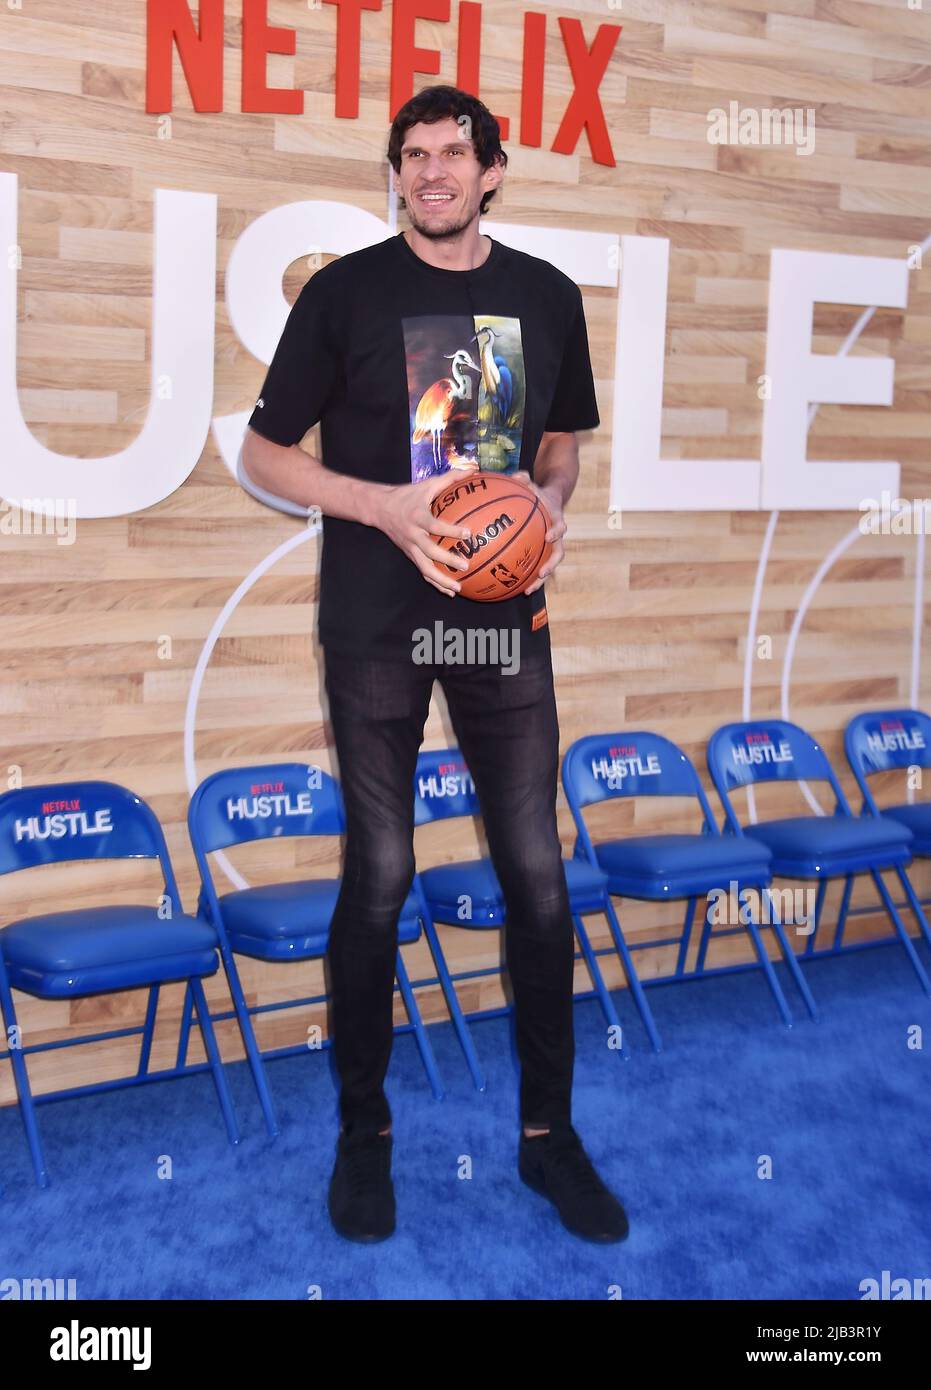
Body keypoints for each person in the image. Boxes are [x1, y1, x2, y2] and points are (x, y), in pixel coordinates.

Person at [241, 84, 628, 1245]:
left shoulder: (546, 297)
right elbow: (263, 455)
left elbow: (558, 441)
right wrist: (381, 507)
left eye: (453, 154)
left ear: (493, 169)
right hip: (374, 623)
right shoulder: (344, 293)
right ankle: (364, 1140)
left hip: (503, 621)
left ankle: (549, 1141)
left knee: (537, 877)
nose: (431, 172)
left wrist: (549, 504)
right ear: (396, 174)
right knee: (382, 874)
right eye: (412, 156)